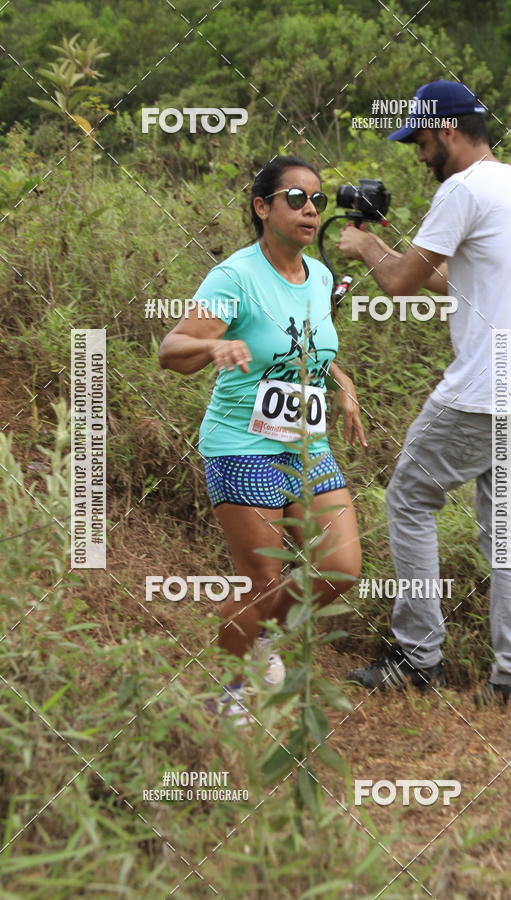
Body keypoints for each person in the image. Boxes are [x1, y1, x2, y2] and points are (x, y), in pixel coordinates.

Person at [337, 80, 511, 705]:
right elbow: (456, 279)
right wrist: (391, 250)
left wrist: (366, 245)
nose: (418, 155)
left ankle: (418, 659)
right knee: (507, 531)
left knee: (409, 496)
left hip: (484, 389)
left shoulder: (462, 188)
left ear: (448, 130)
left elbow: (401, 284)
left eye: (420, 141)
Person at [159, 155, 366, 723]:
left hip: (306, 444)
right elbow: (170, 349)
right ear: (262, 207)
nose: (310, 210)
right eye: (295, 198)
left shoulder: (319, 277)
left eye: (317, 200)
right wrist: (213, 346)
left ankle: (263, 638)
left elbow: (309, 346)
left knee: (341, 565)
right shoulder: (235, 277)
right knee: (260, 580)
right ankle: (227, 692)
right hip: (242, 445)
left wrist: (342, 383)